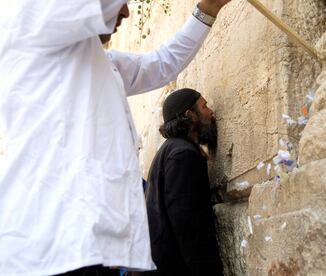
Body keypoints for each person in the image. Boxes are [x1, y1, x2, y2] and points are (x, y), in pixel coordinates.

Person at [0, 1, 231, 275]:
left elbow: (160, 64)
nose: (126, 12)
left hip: (93, 250)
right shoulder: (36, 21)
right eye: (121, 4)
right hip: (49, 246)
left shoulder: (100, 62)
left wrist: (208, 9)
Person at [143, 88, 222, 276]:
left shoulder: (171, 150)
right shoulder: (182, 155)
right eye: (204, 106)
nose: (211, 112)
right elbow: (188, 227)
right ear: (190, 115)